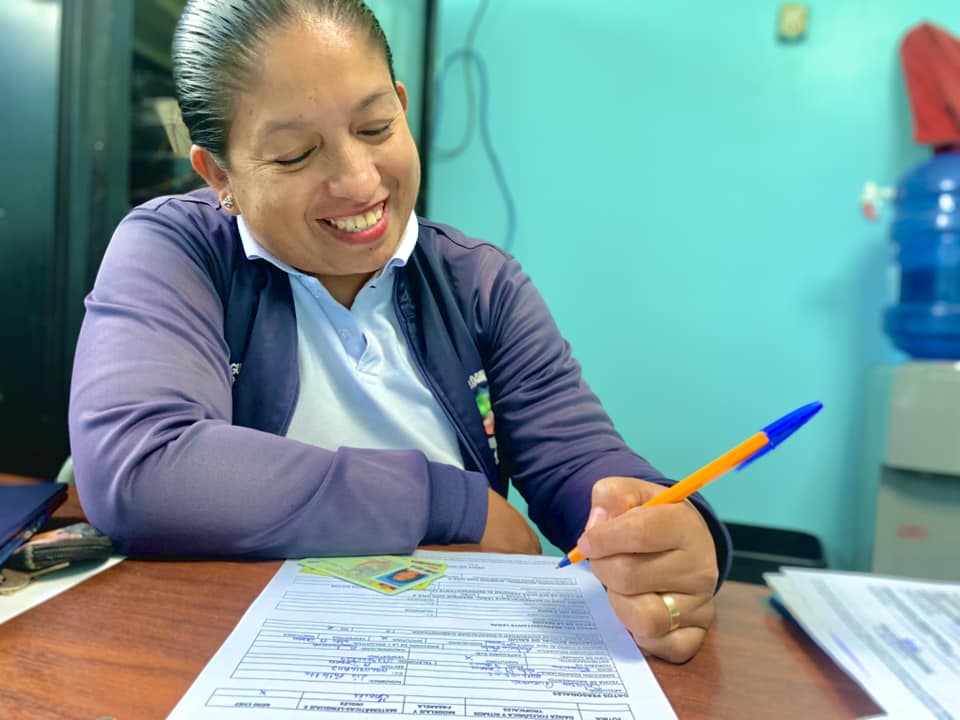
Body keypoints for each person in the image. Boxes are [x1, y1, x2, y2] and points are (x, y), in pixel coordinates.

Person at [68, 0, 730, 664]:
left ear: (403, 108)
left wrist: (667, 536)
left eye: (376, 126)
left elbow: (580, 463)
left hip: (449, 662)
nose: (358, 180)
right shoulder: (180, 253)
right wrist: (447, 501)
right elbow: (141, 466)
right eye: (296, 155)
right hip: (227, 660)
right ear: (220, 175)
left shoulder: (479, 285)